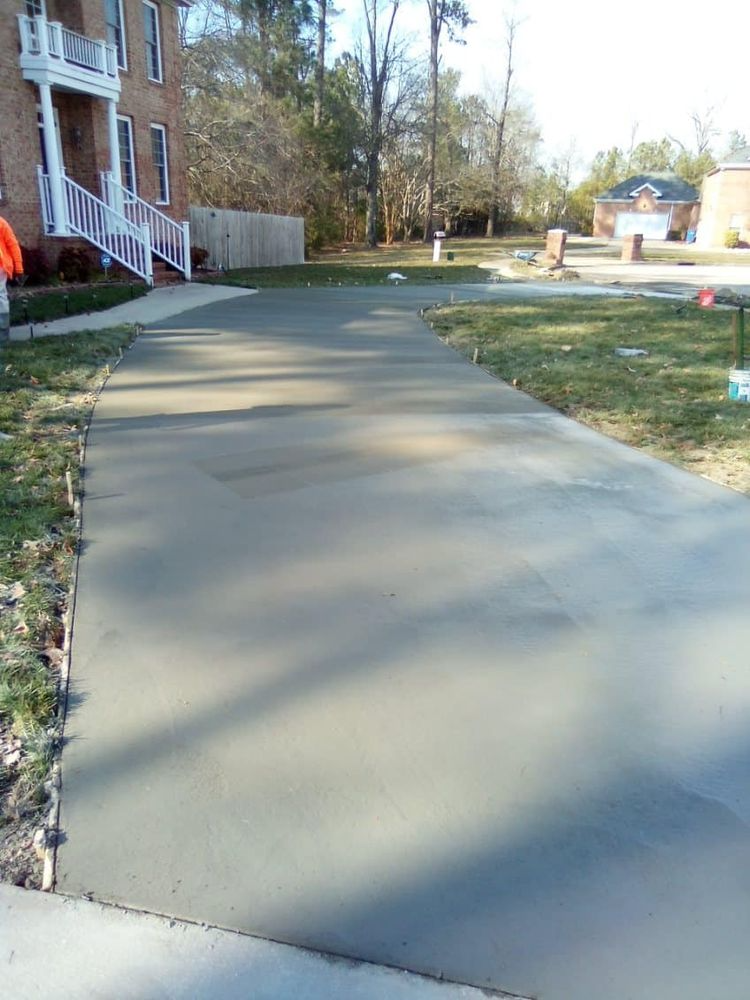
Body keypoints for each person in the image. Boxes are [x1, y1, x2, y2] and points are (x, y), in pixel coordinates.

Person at [0, 215, 24, 342]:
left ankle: (3, 331)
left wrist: (19, 268)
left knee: (0, 295)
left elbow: (13, 245)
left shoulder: (1, 223)